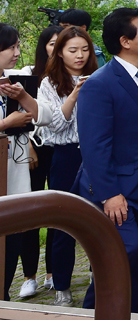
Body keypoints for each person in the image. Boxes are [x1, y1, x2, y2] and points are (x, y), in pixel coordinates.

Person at [74, 8, 138, 313]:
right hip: (116, 189)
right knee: (123, 252)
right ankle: (92, 312)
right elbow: (95, 146)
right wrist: (109, 194)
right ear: (125, 41)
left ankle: (132, 313)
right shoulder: (100, 84)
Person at [35, 27, 98, 306]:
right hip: (66, 155)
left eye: (84, 49)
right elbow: (56, 126)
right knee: (64, 223)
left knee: (99, 218)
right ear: (59, 52)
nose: (80, 55)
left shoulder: (100, 76)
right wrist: (75, 94)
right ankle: (62, 285)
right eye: (73, 50)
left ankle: (101, 275)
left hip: (96, 155)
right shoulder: (48, 83)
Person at [0, 23, 53, 302]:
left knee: (11, 248)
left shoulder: (15, 81)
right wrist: (6, 124)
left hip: (15, 183)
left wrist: (22, 96)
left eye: (18, 46)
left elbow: (46, 116)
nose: (17, 53)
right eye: (11, 47)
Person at [19, 24, 62, 299]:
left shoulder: (69, 76)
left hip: (60, 151)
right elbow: (21, 114)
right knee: (31, 213)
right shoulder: (28, 75)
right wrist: (29, 148)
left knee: (57, 211)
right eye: (52, 43)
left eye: (61, 43)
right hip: (34, 149)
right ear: (43, 46)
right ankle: (29, 276)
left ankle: (52, 273)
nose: (56, 48)